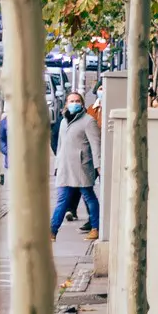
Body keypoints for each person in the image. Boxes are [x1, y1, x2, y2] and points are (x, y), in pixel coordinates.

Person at [50, 89, 102, 238]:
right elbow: (60, 145)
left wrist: (98, 166)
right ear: (66, 104)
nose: (74, 103)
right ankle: (52, 230)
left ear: (82, 103)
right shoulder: (63, 122)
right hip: (65, 167)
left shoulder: (88, 121)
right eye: (71, 101)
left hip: (82, 167)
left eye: (77, 101)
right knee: (62, 199)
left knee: (88, 196)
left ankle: (95, 227)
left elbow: (95, 145)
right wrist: (57, 164)